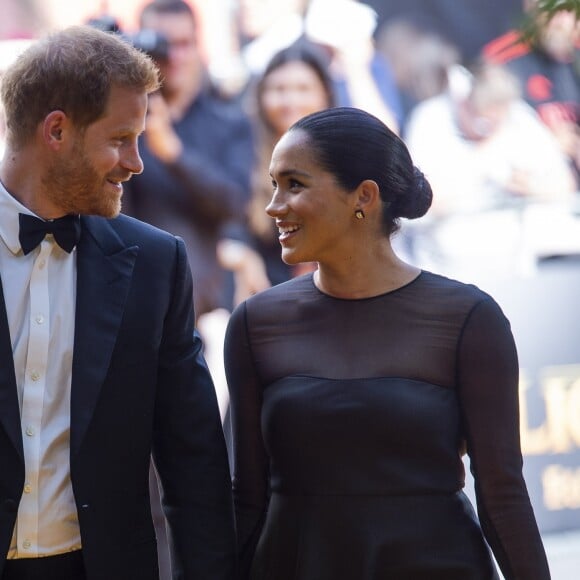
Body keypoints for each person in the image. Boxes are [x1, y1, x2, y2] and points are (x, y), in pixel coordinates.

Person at [224, 106, 551, 579]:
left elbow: (502, 494)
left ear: (365, 196)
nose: (275, 205)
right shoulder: (256, 323)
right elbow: (246, 498)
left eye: (294, 184)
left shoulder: (468, 318)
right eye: (274, 184)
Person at [0, 24, 235, 580]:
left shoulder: (155, 263)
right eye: (121, 138)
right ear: (57, 130)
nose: (137, 162)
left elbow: (193, 460)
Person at [122, 0, 255, 319]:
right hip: (130, 296)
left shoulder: (228, 121)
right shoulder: (120, 120)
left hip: (203, 304)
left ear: (198, 45)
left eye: (185, 44)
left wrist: (175, 154)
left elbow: (236, 203)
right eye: (163, 45)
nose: (174, 57)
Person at [403, 61, 577, 281]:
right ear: (464, 104)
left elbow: (565, 184)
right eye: (484, 122)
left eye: (498, 121)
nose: (492, 128)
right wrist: (483, 157)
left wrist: (531, 187)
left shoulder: (518, 117)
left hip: (518, 259)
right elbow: (424, 201)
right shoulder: (430, 120)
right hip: (451, 261)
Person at [218, 43, 336, 304]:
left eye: (303, 89)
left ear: (325, 94)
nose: (290, 102)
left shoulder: (343, 153)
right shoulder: (242, 147)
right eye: (279, 90)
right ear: (260, 95)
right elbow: (227, 214)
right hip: (264, 291)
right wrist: (239, 254)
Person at [482, 0, 580, 180]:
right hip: (530, 180)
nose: (559, 21)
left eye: (567, 10)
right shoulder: (504, 60)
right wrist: (546, 144)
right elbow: (485, 139)